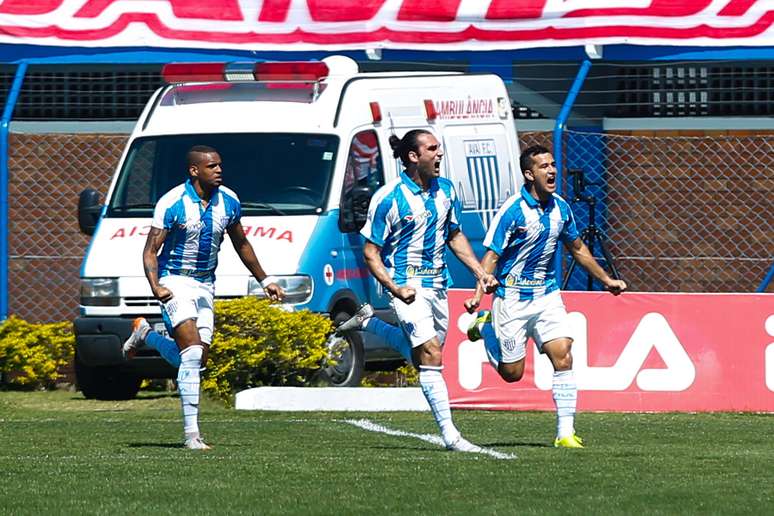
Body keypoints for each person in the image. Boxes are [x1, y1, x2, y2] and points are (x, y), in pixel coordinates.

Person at [337, 130, 498, 452]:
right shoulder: (389, 197)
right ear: (413, 156)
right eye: (433, 149)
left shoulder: (447, 191)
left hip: (439, 285)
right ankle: (452, 436)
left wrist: (480, 273)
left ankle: (369, 322)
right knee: (431, 356)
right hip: (406, 285)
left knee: (422, 354)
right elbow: (371, 252)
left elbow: (454, 235)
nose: (439, 155)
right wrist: (395, 288)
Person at [122, 145, 284, 450]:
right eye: (212, 166)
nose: (219, 170)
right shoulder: (172, 203)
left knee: (197, 359)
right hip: (175, 281)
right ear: (195, 170)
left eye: (220, 165)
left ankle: (146, 334)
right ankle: (192, 435)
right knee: (193, 354)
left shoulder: (230, 201)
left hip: (206, 285)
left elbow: (242, 243)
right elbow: (150, 251)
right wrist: (156, 285)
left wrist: (266, 280)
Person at [464, 144, 627, 448]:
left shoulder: (561, 208)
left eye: (553, 165)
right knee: (512, 374)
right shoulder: (513, 211)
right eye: (543, 167)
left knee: (563, 355)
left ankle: (565, 433)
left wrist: (606, 279)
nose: (552, 171)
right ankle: (486, 328)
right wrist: (477, 295)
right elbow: (492, 256)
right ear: (529, 174)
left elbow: (577, 248)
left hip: (547, 296)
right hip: (511, 298)